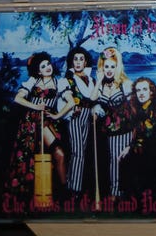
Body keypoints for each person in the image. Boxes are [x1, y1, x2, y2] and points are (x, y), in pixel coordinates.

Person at [5, 52, 74, 203]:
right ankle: (27, 194)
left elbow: (71, 102)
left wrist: (56, 116)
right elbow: (18, 98)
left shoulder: (60, 82)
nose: (47, 67)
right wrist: (35, 106)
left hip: (46, 122)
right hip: (30, 122)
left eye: (48, 64)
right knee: (27, 156)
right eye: (43, 66)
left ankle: (64, 193)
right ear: (38, 71)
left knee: (59, 154)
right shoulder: (32, 81)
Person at [91, 47, 132, 201]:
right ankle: (115, 191)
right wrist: (98, 81)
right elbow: (92, 99)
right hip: (110, 131)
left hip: (126, 129)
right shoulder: (101, 85)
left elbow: (134, 109)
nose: (109, 70)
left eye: (112, 67)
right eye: (106, 66)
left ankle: (123, 191)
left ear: (117, 67)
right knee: (114, 160)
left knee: (123, 159)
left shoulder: (125, 83)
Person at [59, 47, 95, 201]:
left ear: (85, 62)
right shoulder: (67, 79)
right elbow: (62, 101)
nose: (78, 62)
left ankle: (73, 185)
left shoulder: (91, 79)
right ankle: (75, 190)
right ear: (71, 62)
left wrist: (95, 110)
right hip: (75, 117)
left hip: (88, 117)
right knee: (78, 152)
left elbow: (94, 99)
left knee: (82, 153)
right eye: (75, 59)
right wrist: (70, 111)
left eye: (81, 59)